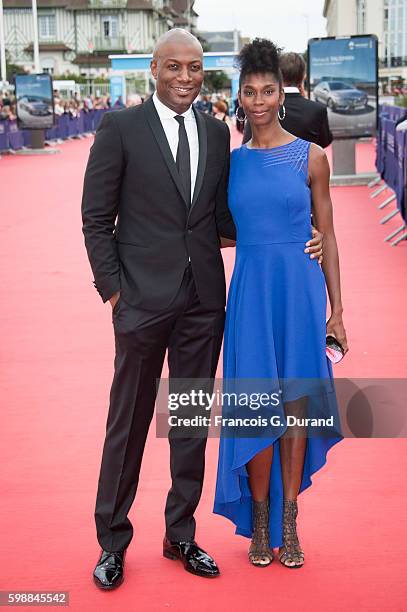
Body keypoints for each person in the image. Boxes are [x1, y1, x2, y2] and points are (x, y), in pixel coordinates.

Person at [81, 29, 323, 589]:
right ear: (154, 68)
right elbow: (97, 218)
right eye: (175, 67)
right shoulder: (120, 129)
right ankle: (112, 540)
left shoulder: (218, 135)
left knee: (188, 420)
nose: (186, 77)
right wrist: (115, 291)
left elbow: (224, 219)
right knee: (130, 423)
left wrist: (296, 235)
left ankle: (180, 533)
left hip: (201, 307)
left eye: (194, 67)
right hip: (140, 304)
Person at [214, 39, 347, 569]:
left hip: (299, 293)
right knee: (254, 408)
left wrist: (338, 310)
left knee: (294, 408)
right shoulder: (230, 164)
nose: (260, 99)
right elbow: (218, 229)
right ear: (240, 96)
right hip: (250, 294)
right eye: (250, 91)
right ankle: (261, 517)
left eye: (268, 90)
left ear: (281, 93)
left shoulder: (312, 158)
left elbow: (330, 236)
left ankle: (289, 519)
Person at [242, 51, 333, 148]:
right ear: (303, 76)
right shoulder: (317, 110)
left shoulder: (261, 108)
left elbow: (247, 145)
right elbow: (324, 142)